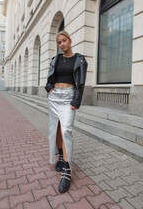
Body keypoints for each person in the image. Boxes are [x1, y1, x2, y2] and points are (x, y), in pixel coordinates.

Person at [45, 30, 88, 193]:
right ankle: (61, 157)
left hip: (69, 97)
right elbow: (50, 78)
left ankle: (68, 171)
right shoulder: (55, 59)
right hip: (55, 97)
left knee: (66, 130)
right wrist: (49, 88)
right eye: (59, 42)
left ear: (69, 40)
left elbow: (81, 82)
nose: (62, 44)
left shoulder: (80, 59)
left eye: (64, 40)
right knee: (55, 130)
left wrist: (77, 100)